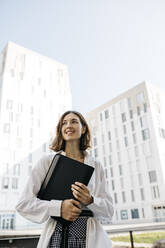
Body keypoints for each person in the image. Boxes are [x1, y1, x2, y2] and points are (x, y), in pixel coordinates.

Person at [16, 110, 114, 248]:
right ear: (60, 130)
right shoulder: (47, 162)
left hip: (89, 238)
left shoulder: (96, 166)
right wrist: (59, 208)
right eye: (64, 123)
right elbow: (23, 204)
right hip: (56, 236)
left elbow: (109, 211)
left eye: (74, 121)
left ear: (84, 128)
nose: (68, 125)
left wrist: (91, 200)